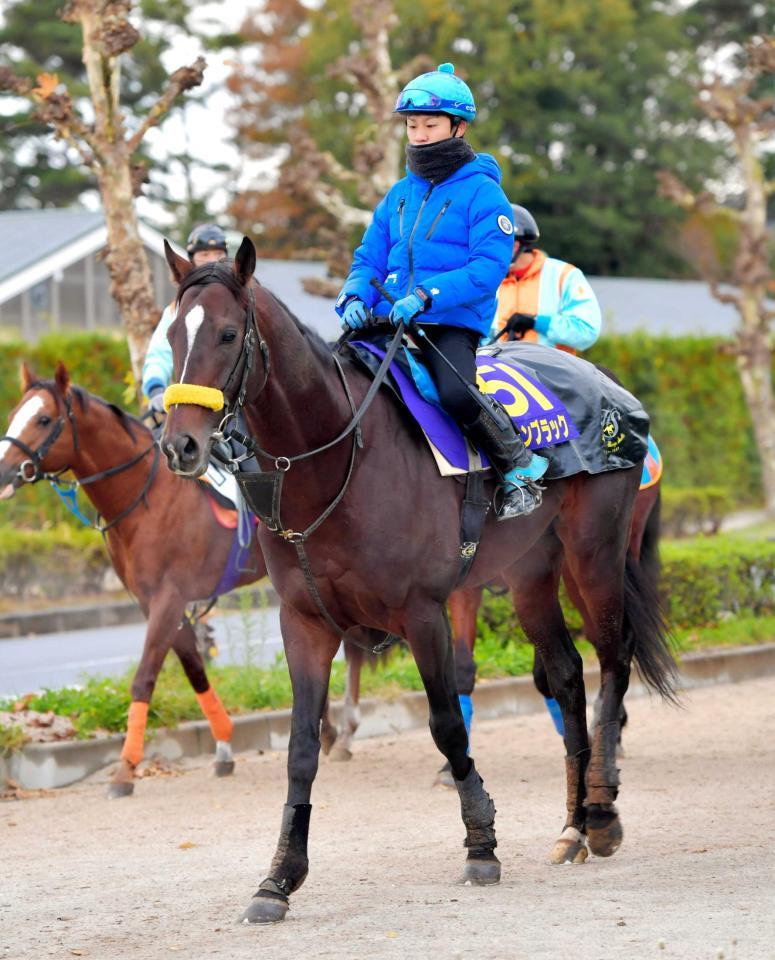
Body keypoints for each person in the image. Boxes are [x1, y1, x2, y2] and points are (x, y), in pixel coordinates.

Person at [335, 63, 548, 519]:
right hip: (387, 318)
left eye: (430, 125)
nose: (419, 134)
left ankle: (519, 468)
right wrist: (353, 296)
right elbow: (369, 257)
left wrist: (427, 296)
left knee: (453, 393)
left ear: (458, 126)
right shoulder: (397, 195)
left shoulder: (485, 195)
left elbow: (487, 269)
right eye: (412, 126)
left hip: (449, 322)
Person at [492, 204, 602, 353]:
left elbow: (587, 330)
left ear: (515, 245)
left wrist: (536, 322)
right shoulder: (489, 280)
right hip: (502, 372)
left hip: (551, 373)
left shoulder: (565, 275)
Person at [142, 223, 229, 410]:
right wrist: (156, 387)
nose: (213, 260)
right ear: (191, 260)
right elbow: (160, 353)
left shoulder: (240, 302)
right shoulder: (176, 310)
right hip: (192, 406)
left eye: (218, 254)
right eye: (205, 255)